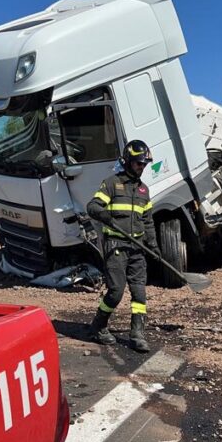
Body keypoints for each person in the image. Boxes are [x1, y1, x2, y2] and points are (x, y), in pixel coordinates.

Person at [86, 140, 159, 352]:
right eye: (138, 163)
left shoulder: (144, 190)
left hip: (137, 249)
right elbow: (92, 206)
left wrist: (153, 246)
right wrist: (104, 214)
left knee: (139, 294)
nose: (141, 167)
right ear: (127, 161)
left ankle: (137, 334)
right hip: (115, 246)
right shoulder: (112, 183)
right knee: (116, 292)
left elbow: (148, 221)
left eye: (144, 164)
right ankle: (98, 326)